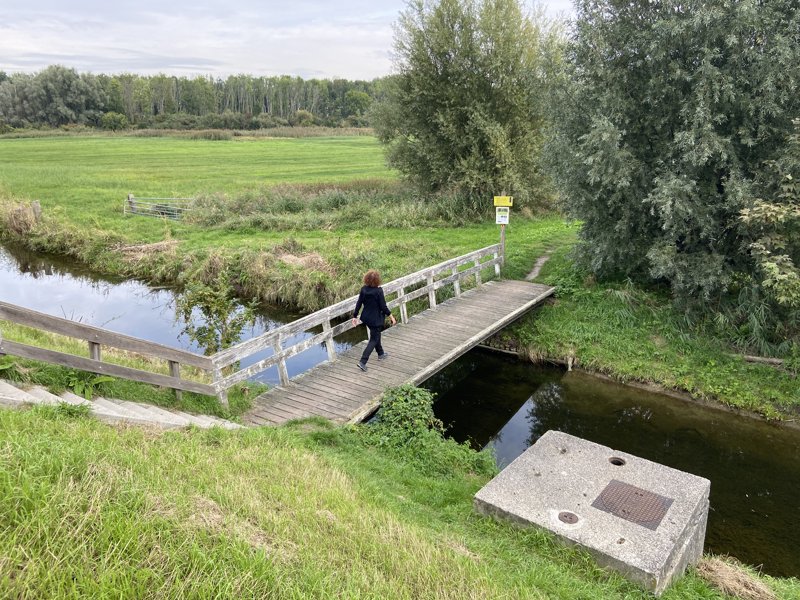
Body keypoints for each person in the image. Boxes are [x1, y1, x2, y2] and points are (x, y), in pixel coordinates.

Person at [351, 269, 396, 372]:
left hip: (366, 318)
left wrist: (354, 316)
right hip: (376, 320)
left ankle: (381, 354)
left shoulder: (363, 289)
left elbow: (359, 303)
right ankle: (363, 361)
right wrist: (391, 316)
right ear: (377, 280)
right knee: (373, 339)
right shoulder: (378, 291)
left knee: (376, 335)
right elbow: (383, 307)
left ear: (366, 279)